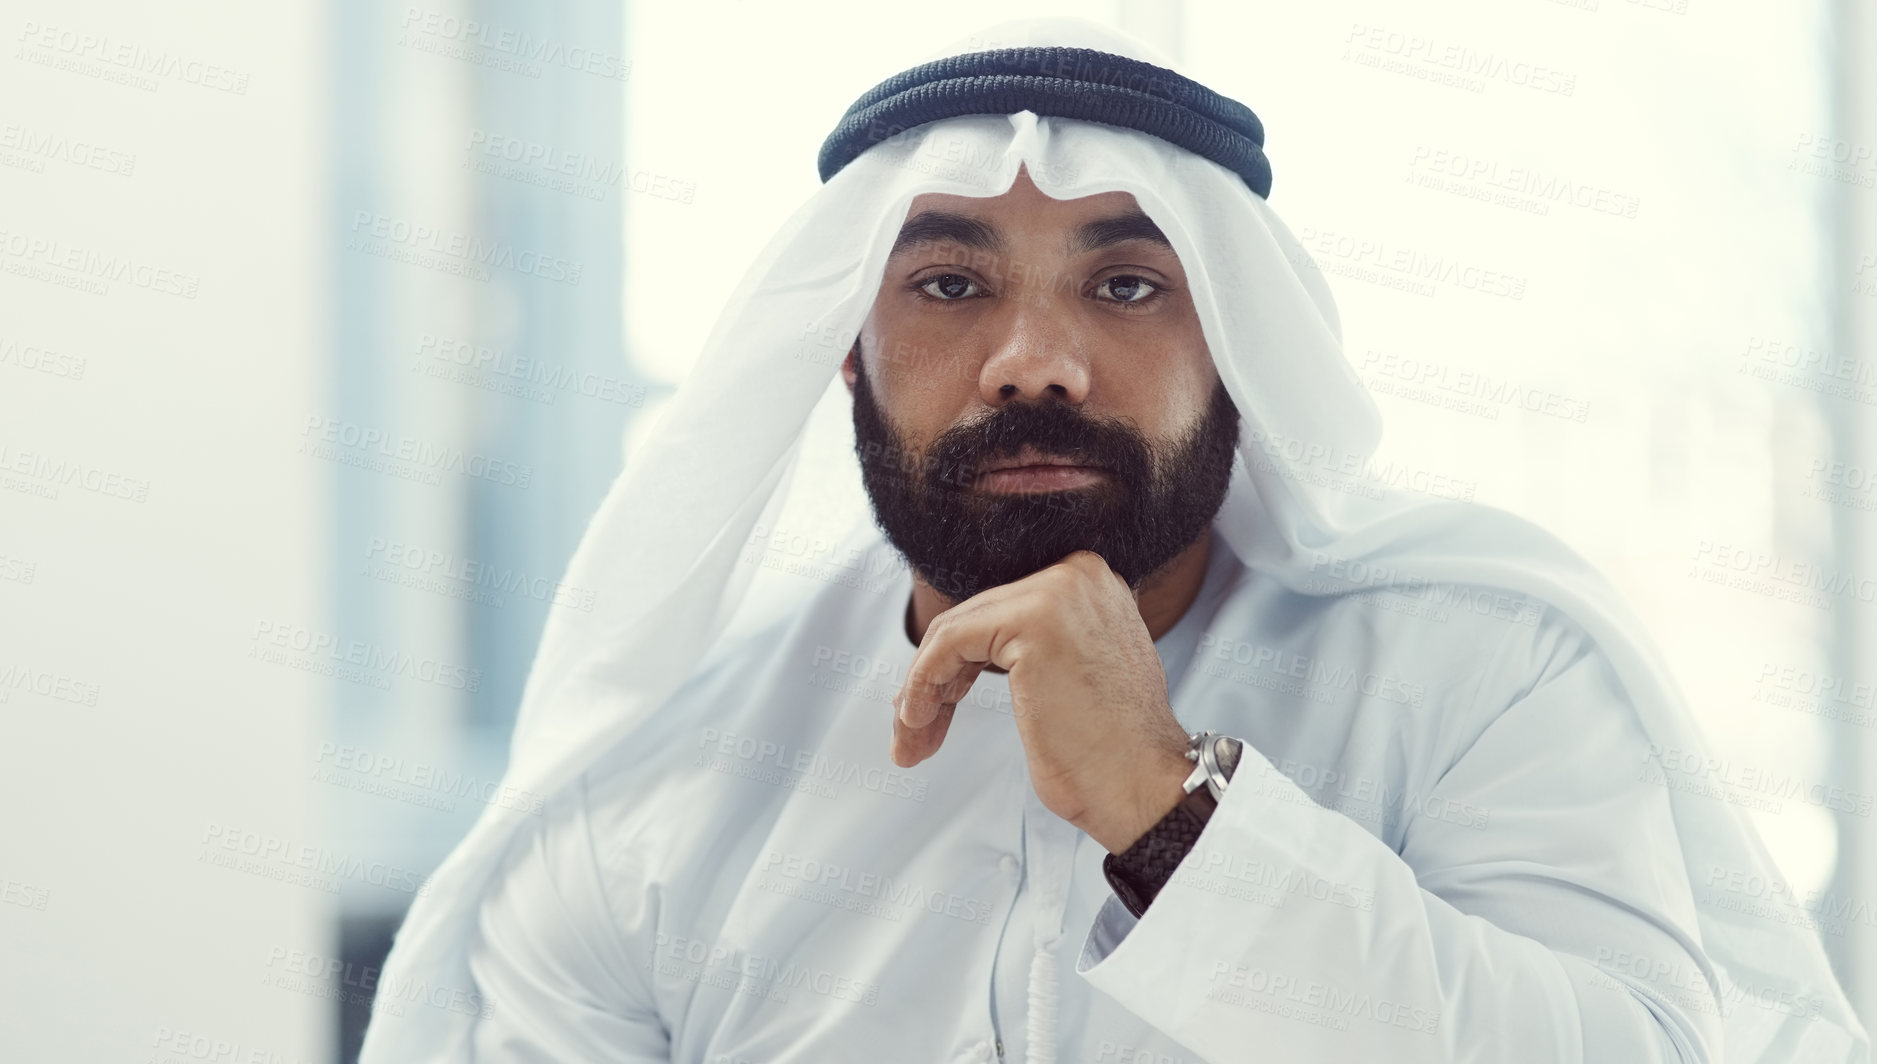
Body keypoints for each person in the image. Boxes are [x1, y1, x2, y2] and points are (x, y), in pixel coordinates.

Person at [358, 17, 1868, 1063]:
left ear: (1239, 346)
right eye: (948, 285)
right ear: (841, 348)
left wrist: (1167, 814)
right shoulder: (646, 796)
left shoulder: (1482, 670)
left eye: (1127, 285)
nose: (1035, 362)